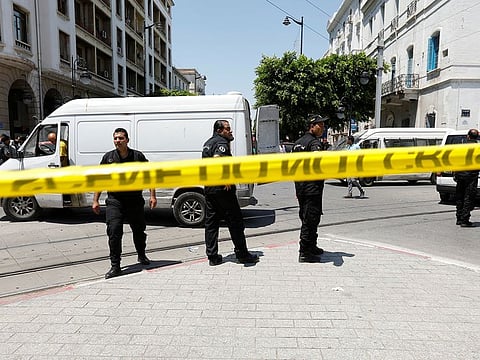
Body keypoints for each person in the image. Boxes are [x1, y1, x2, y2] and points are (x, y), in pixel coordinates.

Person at [92, 128, 157, 278]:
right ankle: (116, 266)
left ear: (127, 140)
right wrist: (95, 200)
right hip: (115, 201)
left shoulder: (137, 156)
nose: (118, 141)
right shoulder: (108, 158)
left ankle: (141, 254)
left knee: (139, 231)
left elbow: (149, 175)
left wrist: (152, 195)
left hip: (134, 200)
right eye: (115, 138)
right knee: (114, 231)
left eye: (121, 138)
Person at [202, 120, 259, 266]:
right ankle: (242, 255)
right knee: (235, 221)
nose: (231, 131)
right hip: (222, 190)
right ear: (220, 130)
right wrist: (225, 178)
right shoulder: (221, 143)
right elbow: (217, 160)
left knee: (211, 223)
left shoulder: (208, 143)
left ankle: (212, 256)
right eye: (228, 129)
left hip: (209, 188)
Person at [292, 115, 328, 262]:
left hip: (301, 187)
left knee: (308, 218)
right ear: (312, 126)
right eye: (321, 125)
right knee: (310, 219)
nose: (323, 128)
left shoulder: (297, 143)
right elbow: (318, 163)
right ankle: (305, 252)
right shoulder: (314, 144)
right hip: (312, 188)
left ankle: (312, 246)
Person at [454, 128, 479, 227]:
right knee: (468, 197)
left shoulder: (461, 147)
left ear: (468, 136)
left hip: (460, 175)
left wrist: (455, 173)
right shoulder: (477, 148)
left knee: (460, 196)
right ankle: (464, 219)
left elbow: (455, 160)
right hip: (471, 176)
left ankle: (459, 218)